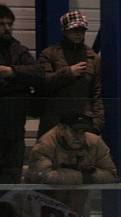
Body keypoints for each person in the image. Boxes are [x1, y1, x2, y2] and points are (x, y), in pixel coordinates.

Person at [24, 112, 117, 217]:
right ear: (62, 129)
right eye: (74, 131)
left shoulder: (95, 142)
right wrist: (84, 176)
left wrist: (84, 176)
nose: (79, 136)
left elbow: (111, 175)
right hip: (44, 206)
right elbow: (43, 176)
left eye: (83, 132)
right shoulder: (45, 145)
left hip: (78, 207)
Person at [36, 10, 103, 139]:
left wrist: (97, 124)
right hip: (54, 121)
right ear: (64, 31)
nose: (79, 33)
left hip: (82, 122)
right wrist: (68, 73)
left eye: (82, 30)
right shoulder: (49, 54)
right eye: (74, 30)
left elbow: (97, 93)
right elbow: (42, 84)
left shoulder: (93, 58)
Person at [0, 4, 43, 184]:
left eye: (10, 24)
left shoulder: (19, 50)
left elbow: (38, 73)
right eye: (2, 24)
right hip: (11, 122)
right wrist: (19, 85)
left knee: (12, 179)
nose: (7, 28)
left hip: (14, 130)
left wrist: (11, 72)